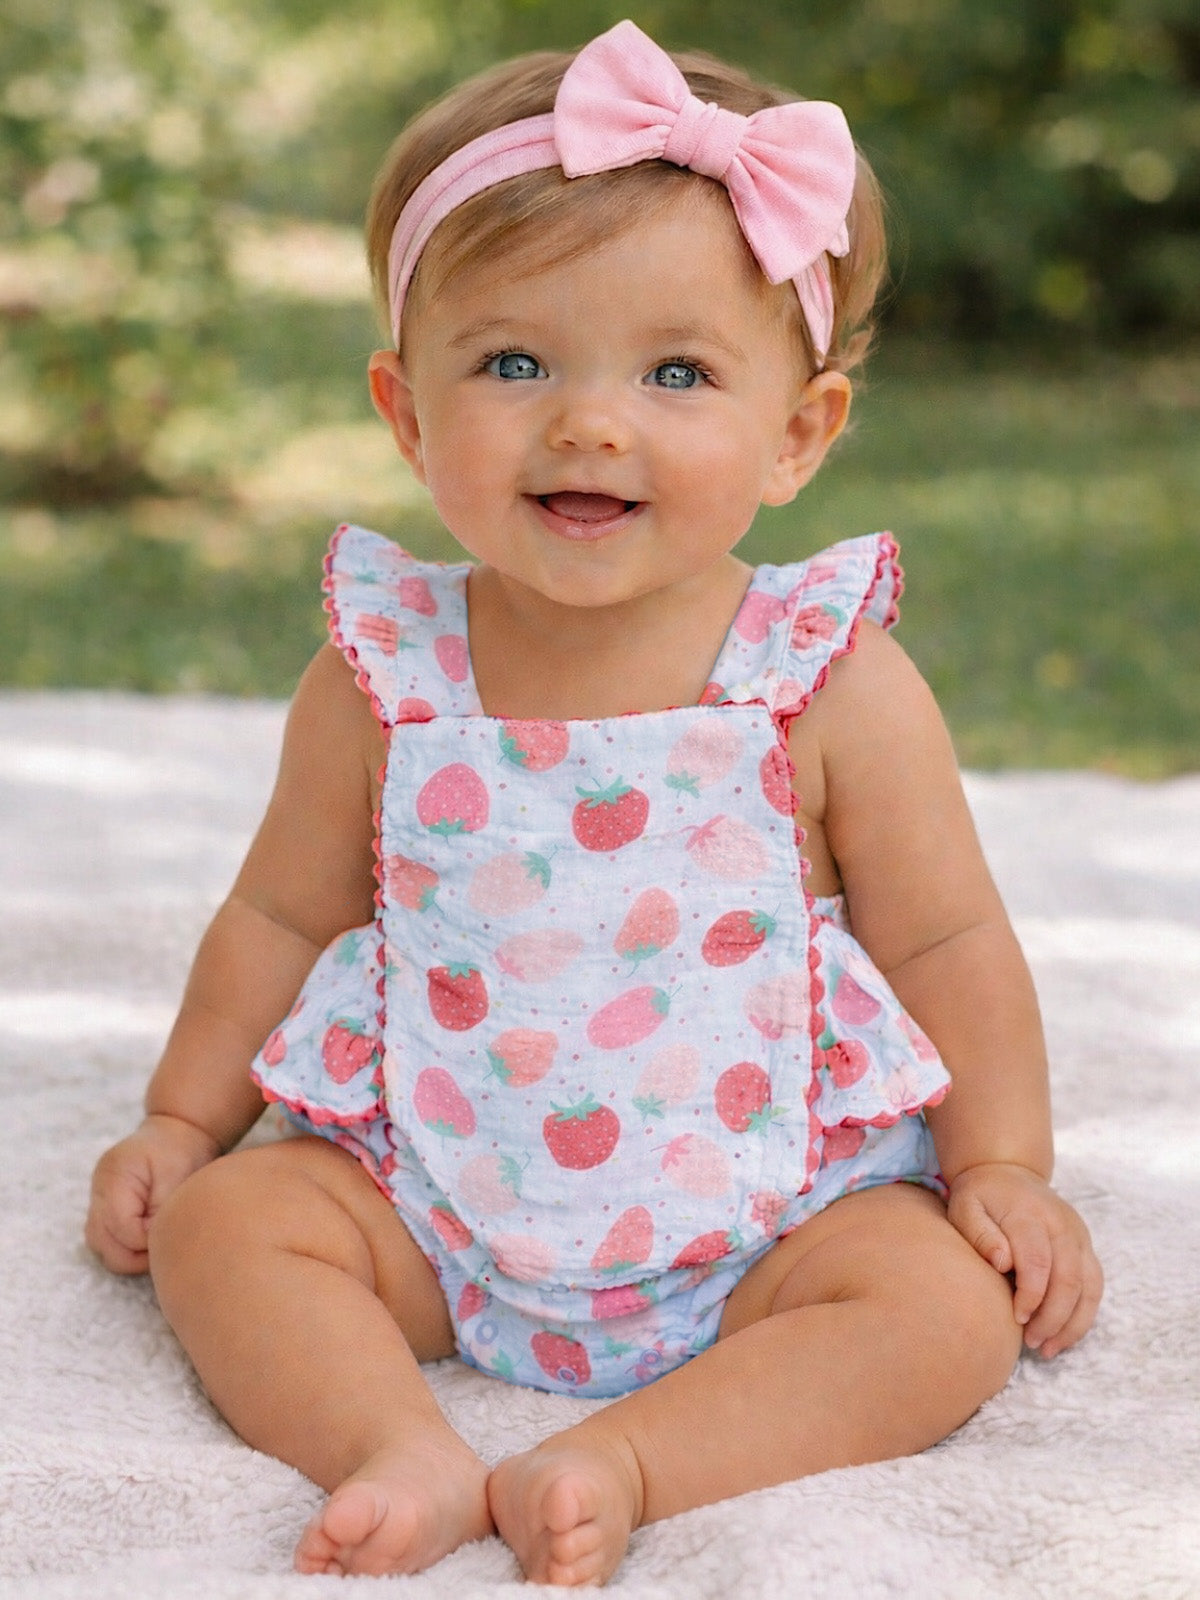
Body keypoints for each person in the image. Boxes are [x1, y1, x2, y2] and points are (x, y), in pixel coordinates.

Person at [85, 19, 1103, 1588]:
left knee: (941, 1312)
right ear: (408, 414)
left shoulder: (819, 677)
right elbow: (281, 913)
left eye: (679, 371)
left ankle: (639, 1458)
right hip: (434, 1195)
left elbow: (952, 932)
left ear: (799, 434)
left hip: (774, 1211)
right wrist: (180, 1116)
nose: (590, 421)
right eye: (513, 363)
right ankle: (391, 1443)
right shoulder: (386, 673)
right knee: (229, 1234)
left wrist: (1004, 1167)